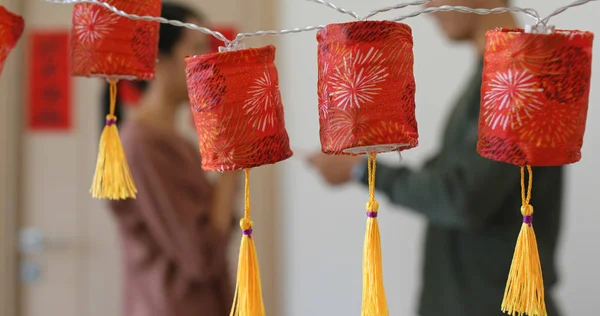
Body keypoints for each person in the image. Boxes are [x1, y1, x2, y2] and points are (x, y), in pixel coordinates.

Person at [307, 0, 563, 315]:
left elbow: (462, 197)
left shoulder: (522, 77)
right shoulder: (493, 76)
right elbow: (454, 178)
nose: (428, 6)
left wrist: (362, 170)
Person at [108, 3, 238, 316]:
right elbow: (201, 256)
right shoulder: (145, 144)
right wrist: (231, 166)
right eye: (194, 49)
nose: (205, 62)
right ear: (157, 58)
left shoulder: (170, 141)